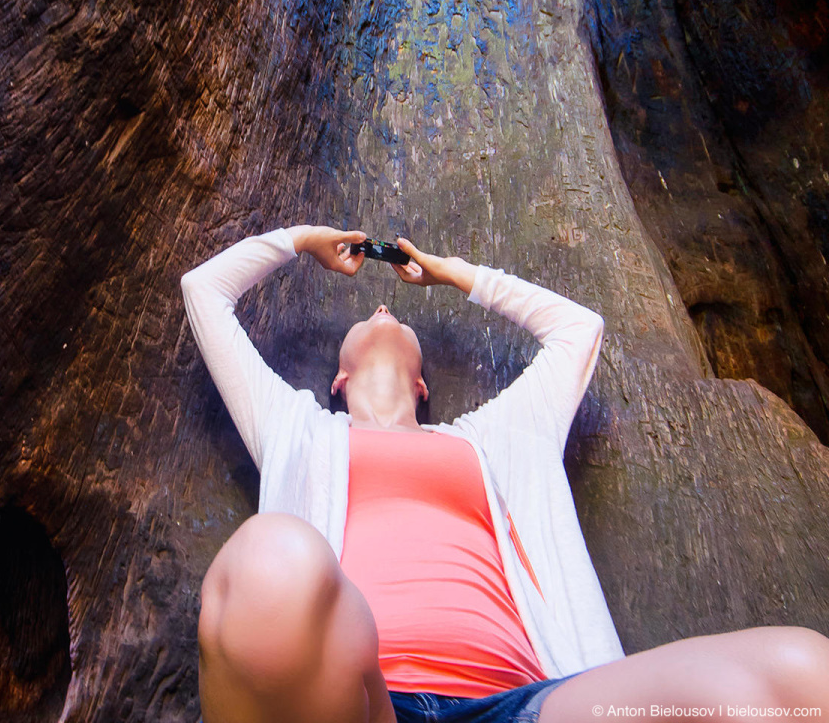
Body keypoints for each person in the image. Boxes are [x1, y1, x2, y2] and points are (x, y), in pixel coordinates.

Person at [180, 224, 829, 723]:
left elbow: (579, 330)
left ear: (425, 383)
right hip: (362, 706)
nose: (383, 311)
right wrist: (299, 241)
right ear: (338, 379)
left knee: (804, 678)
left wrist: (456, 274)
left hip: (530, 704)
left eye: (394, 315)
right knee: (269, 563)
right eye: (368, 316)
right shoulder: (299, 432)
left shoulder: (498, 438)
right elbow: (203, 291)